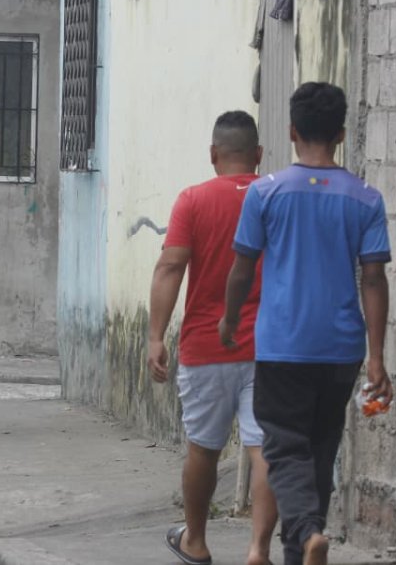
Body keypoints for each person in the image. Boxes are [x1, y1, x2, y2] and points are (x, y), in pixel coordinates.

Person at [219, 83, 392, 565]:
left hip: (282, 345)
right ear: (340, 133)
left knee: (283, 444)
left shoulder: (265, 193)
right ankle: (301, 552)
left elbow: (242, 268)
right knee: (319, 450)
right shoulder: (365, 198)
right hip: (342, 349)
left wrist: (230, 320)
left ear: (292, 131)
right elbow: (374, 280)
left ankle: (308, 530)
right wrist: (377, 356)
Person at [149, 111, 278, 565]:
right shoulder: (276, 195)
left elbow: (171, 265)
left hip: (208, 347)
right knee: (264, 448)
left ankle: (196, 541)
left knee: (203, 447)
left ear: (213, 154)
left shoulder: (193, 200)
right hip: (271, 346)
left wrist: (155, 337)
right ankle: (259, 550)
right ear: (258, 155)